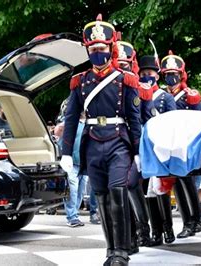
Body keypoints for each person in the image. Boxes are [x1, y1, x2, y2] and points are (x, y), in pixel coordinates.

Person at [61, 14, 141, 266]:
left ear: (110, 48)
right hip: (92, 142)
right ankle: (111, 249)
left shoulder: (124, 79)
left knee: (117, 193)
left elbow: (134, 118)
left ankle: (121, 252)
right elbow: (71, 119)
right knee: (102, 197)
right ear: (88, 49)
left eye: (102, 48)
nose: (98, 52)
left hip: (118, 141)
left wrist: (138, 151)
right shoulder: (79, 81)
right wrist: (64, 152)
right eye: (93, 49)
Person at [161, 51, 201, 239]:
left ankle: (194, 220)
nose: (171, 78)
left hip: (186, 145)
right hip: (167, 145)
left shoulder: (189, 96)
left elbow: (200, 120)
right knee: (175, 184)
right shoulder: (162, 96)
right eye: (167, 74)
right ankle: (188, 220)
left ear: (181, 75)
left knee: (186, 182)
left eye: (174, 74)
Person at [116, 40, 152, 253]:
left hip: (136, 142)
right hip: (116, 140)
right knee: (120, 187)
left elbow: (147, 120)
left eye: (125, 63)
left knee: (131, 185)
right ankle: (128, 237)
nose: (122, 67)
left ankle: (143, 228)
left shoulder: (142, 89)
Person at [138, 55, 177, 246]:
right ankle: (156, 232)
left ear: (157, 75)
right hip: (145, 147)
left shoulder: (165, 97)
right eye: (143, 74)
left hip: (161, 146)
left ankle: (167, 229)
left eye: (150, 73)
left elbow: (173, 122)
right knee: (148, 191)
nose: (146, 77)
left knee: (159, 189)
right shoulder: (137, 95)